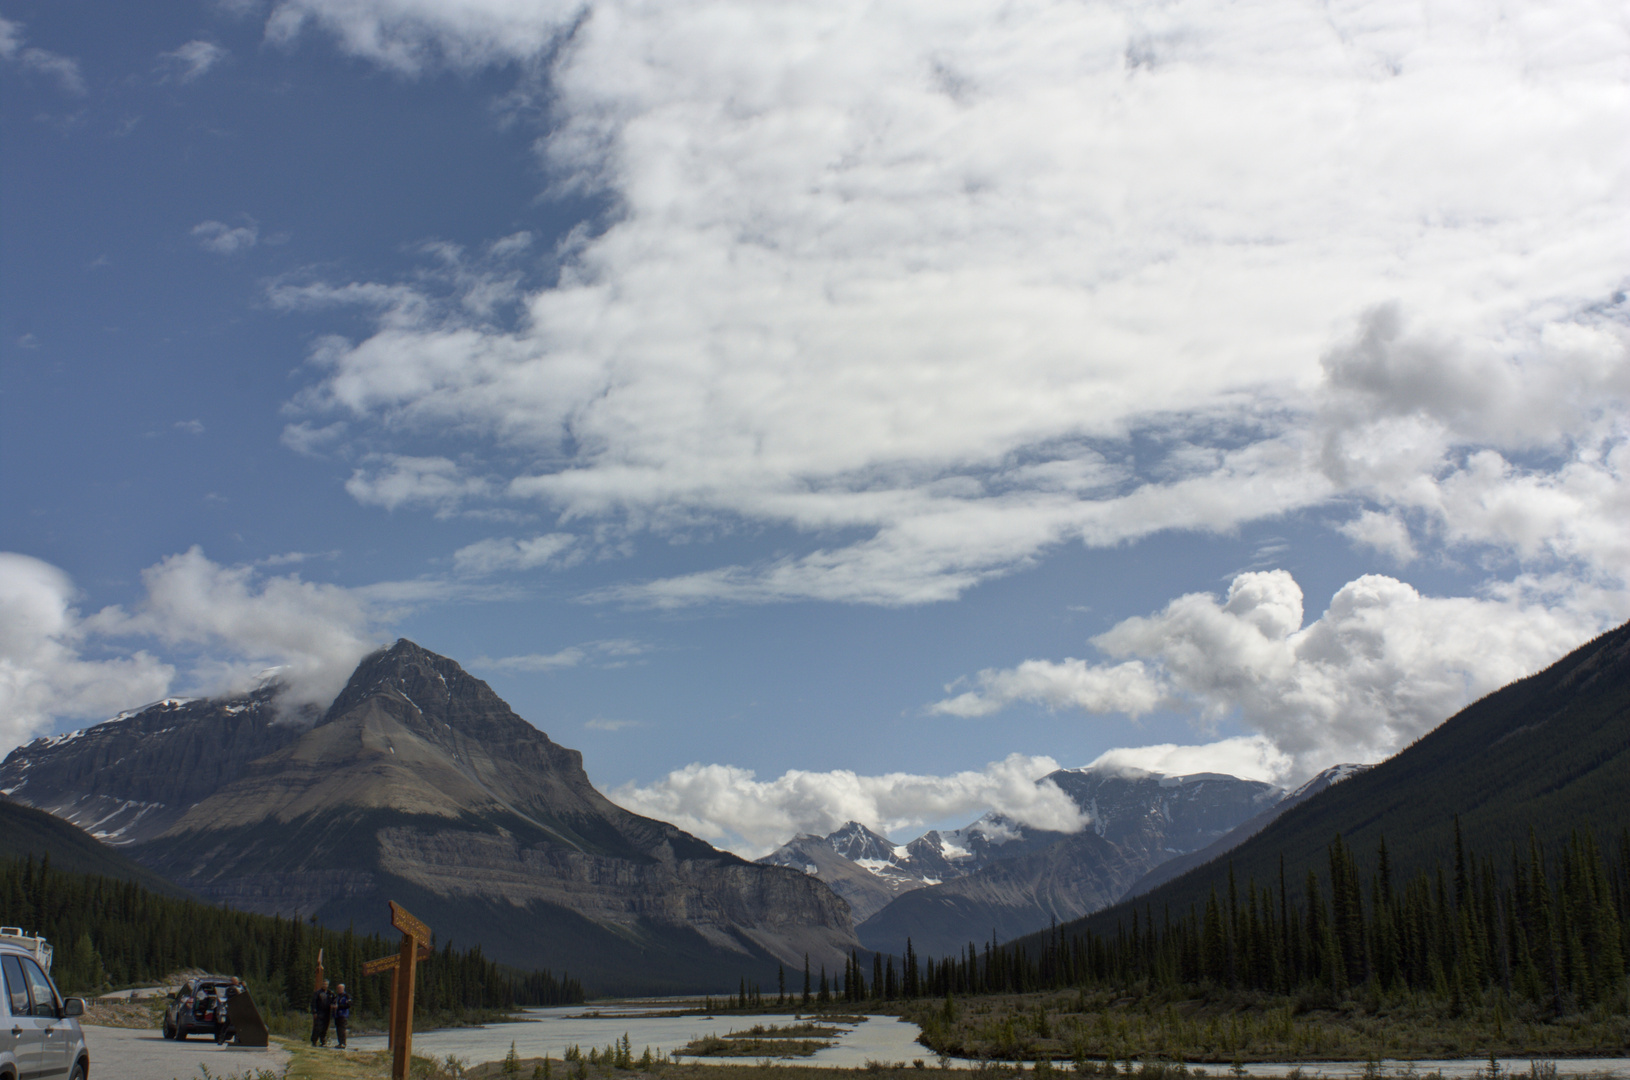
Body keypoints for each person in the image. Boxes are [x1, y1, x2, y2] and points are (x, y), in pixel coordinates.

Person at [215, 977, 244, 1045]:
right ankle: (221, 1038)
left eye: (237, 980)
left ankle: (238, 1039)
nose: (237, 981)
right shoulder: (230, 989)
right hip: (232, 1008)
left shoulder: (240, 987)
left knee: (238, 1025)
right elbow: (236, 996)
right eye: (236, 980)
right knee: (227, 1024)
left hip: (238, 1008)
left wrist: (244, 987)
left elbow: (245, 994)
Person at [310, 980, 333, 1047]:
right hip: (319, 1012)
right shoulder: (317, 993)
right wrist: (314, 1012)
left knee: (325, 1028)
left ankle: (323, 1041)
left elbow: (334, 1000)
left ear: (328, 985)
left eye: (326, 984)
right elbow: (313, 1003)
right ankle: (314, 1041)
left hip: (327, 1013)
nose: (325, 985)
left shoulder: (330, 993)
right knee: (317, 1027)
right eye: (324, 984)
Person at [333, 983, 351, 1049]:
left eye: (340, 988)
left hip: (343, 1015)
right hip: (337, 1015)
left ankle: (343, 1043)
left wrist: (339, 1006)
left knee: (342, 1029)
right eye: (338, 988)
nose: (339, 990)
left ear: (343, 988)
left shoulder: (346, 996)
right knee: (338, 1030)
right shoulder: (336, 996)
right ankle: (340, 1043)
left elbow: (349, 1005)